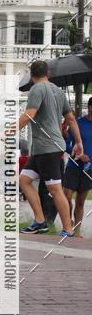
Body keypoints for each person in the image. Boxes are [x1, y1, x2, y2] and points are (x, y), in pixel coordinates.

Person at [19, 60, 83, 237]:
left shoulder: (36, 89)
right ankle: (40, 221)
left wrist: (7, 131)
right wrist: (79, 142)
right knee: (24, 180)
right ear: (48, 73)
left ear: (32, 76)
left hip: (49, 148)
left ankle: (68, 229)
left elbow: (29, 115)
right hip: (43, 149)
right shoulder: (58, 91)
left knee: (55, 189)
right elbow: (70, 119)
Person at [63, 96, 92, 237]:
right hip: (73, 166)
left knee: (80, 201)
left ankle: (77, 231)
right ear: (90, 108)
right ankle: (67, 227)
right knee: (66, 197)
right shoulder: (78, 123)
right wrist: (78, 154)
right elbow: (66, 146)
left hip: (89, 169)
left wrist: (89, 158)